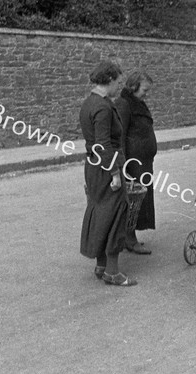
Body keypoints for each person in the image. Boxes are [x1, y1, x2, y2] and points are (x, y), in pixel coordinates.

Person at [79, 61, 137, 286]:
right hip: (107, 168)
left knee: (100, 213)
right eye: (118, 81)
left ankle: (101, 266)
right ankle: (112, 272)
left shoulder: (89, 103)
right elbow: (103, 144)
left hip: (94, 168)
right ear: (109, 80)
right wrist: (114, 173)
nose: (118, 86)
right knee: (114, 215)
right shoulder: (103, 107)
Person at [115, 71, 156, 254]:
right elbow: (120, 136)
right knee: (134, 200)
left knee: (140, 200)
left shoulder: (135, 103)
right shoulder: (124, 105)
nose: (146, 94)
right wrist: (123, 165)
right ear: (134, 86)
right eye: (144, 90)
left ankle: (130, 237)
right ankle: (129, 240)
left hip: (143, 160)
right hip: (133, 162)